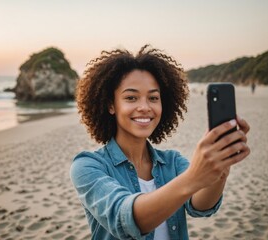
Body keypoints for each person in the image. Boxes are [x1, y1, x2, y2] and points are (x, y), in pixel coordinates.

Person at [70, 45, 250, 240]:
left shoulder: (172, 162)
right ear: (111, 105)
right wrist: (193, 177)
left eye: (153, 98)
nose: (145, 107)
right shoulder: (87, 166)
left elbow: (201, 206)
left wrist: (220, 170)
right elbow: (126, 220)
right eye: (131, 98)